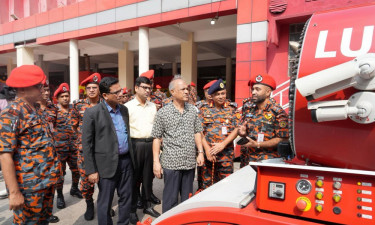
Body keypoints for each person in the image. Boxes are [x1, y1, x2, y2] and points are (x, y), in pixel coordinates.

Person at [0, 65, 61, 224]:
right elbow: (5, 154)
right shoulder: (11, 113)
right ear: (24, 89)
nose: (43, 90)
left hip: (46, 182)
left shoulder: (36, 109)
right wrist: (14, 193)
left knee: (43, 221)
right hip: (29, 187)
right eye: (39, 86)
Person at [82, 77, 135, 225]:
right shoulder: (92, 113)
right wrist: (91, 170)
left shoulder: (124, 110)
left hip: (125, 161)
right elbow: (87, 144)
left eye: (121, 90)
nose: (121, 93)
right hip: (106, 164)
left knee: (126, 197)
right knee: (105, 201)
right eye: (116, 92)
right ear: (105, 95)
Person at [151, 77, 204, 213]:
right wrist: (156, 162)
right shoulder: (163, 112)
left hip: (189, 162)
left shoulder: (192, 110)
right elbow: (156, 138)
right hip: (171, 163)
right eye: (183, 89)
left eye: (187, 89)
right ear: (173, 92)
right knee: (170, 199)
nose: (187, 91)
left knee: (187, 199)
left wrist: (200, 152)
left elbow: (197, 131)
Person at [126, 77, 160, 224]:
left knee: (148, 178)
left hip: (150, 144)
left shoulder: (153, 106)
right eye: (144, 87)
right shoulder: (127, 107)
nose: (147, 90)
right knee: (133, 180)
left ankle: (147, 205)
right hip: (135, 145)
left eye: (149, 88)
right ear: (136, 88)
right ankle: (132, 209)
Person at [238, 74, 289, 167]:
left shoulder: (277, 111)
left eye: (258, 89)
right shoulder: (250, 109)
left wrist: (258, 144)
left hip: (266, 161)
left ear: (268, 92)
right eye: (253, 89)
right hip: (247, 159)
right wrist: (243, 133)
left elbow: (284, 139)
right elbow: (250, 135)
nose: (253, 92)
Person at [199, 79, 240, 189]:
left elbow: (237, 129)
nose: (221, 96)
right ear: (211, 96)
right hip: (209, 155)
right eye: (217, 94)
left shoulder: (232, 109)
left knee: (225, 186)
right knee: (207, 186)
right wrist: (207, 150)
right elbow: (199, 131)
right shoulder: (204, 109)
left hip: (226, 155)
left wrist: (223, 144)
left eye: (223, 93)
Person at [73, 73, 102, 220]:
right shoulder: (78, 105)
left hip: (102, 150)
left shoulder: (105, 104)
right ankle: (89, 204)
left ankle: (104, 205)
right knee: (86, 181)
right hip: (84, 151)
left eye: (94, 87)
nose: (91, 90)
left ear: (99, 89)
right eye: (88, 88)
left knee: (105, 181)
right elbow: (74, 126)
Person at [53, 83, 82, 209]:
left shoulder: (73, 109)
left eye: (67, 96)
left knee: (77, 170)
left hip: (74, 147)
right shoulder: (53, 111)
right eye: (62, 96)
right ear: (57, 98)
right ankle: (59, 196)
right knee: (60, 174)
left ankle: (74, 188)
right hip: (59, 149)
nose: (65, 98)